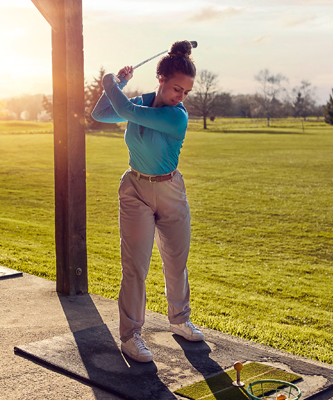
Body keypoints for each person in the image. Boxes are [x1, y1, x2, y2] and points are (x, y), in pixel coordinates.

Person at [91, 41, 204, 363]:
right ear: (162, 80)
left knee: (176, 262)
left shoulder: (175, 117)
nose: (180, 96)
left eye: (186, 92)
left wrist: (111, 82)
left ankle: (180, 320)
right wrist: (120, 85)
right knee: (135, 267)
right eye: (176, 88)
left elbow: (125, 111)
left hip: (171, 191)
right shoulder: (140, 102)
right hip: (135, 190)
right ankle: (131, 336)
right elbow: (100, 113)